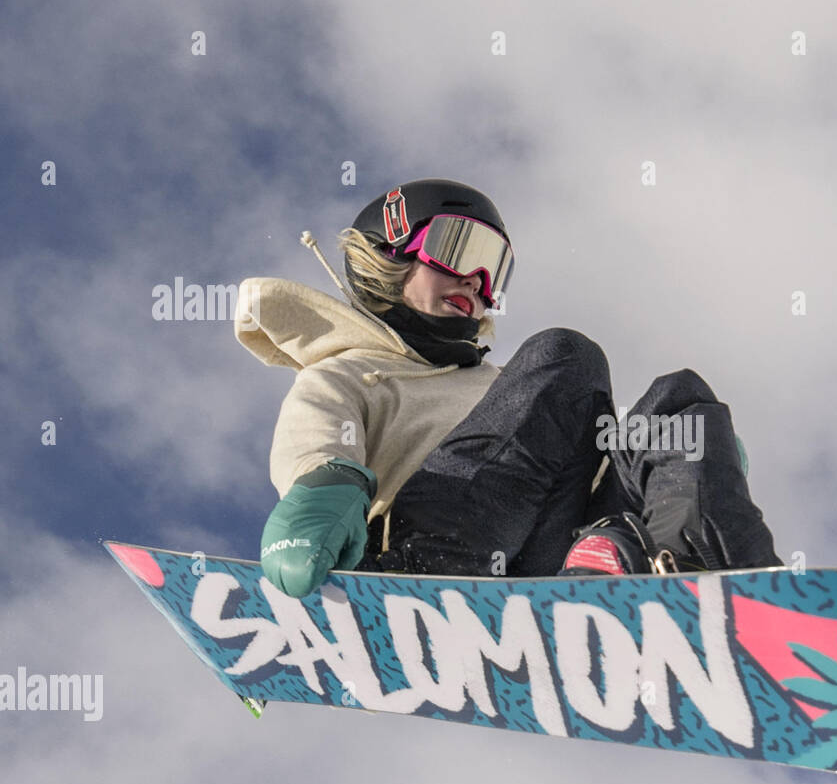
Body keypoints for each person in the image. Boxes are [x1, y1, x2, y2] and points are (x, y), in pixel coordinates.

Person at [237, 177, 780, 598]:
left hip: (547, 562)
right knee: (567, 354)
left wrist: (684, 472)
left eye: (494, 268)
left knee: (679, 406)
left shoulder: (511, 393)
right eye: (458, 247)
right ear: (390, 255)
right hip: (430, 552)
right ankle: (431, 566)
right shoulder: (348, 371)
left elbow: (592, 476)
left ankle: (705, 585)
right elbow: (318, 437)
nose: (476, 279)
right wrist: (322, 491)